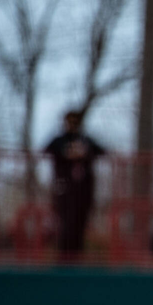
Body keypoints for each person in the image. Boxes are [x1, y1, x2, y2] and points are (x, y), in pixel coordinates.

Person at [44, 111, 106, 259]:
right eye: (69, 121)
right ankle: (63, 258)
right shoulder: (59, 141)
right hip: (63, 189)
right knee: (65, 224)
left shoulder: (85, 141)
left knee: (80, 224)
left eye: (75, 121)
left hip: (83, 191)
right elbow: (47, 149)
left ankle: (77, 258)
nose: (72, 125)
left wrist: (84, 152)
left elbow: (102, 151)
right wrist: (66, 152)